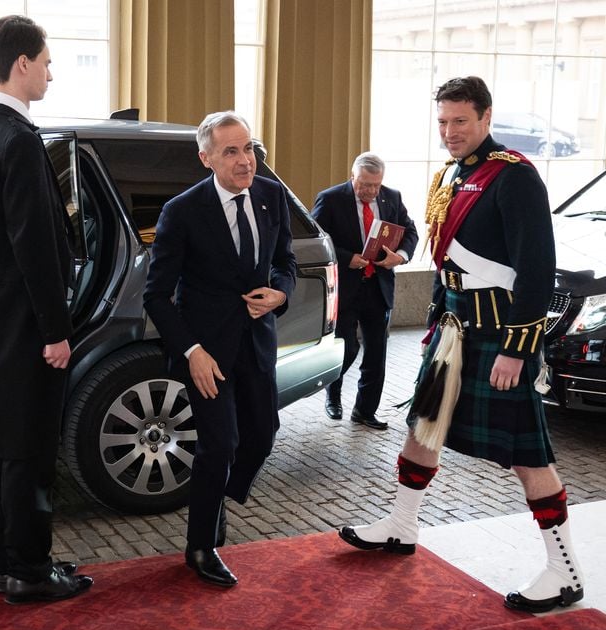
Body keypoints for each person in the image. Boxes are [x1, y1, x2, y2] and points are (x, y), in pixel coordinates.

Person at [339, 76, 585, 613]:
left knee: (526, 452)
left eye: (461, 121)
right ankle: (402, 526)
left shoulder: (515, 177)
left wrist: (518, 348)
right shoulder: (450, 173)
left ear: (486, 118)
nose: (450, 132)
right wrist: (435, 318)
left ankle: (564, 570)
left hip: (498, 332)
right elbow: (447, 260)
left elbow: (539, 268)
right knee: (421, 427)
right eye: (443, 122)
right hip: (454, 328)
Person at [0, 14, 92, 605]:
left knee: (4, 447)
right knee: (32, 449)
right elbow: (36, 246)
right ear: (21, 65)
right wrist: (56, 331)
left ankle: (9, 562)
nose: (51, 74)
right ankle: (31, 573)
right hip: (31, 323)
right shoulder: (18, 138)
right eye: (46, 62)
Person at [143, 111, 296, 587]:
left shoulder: (272, 196)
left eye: (248, 148)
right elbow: (156, 295)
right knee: (219, 446)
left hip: (257, 345)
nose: (244, 160)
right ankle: (200, 546)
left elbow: (286, 262)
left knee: (263, 436)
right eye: (231, 151)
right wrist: (191, 351)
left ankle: (215, 498)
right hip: (206, 353)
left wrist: (281, 293)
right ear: (206, 158)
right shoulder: (182, 211)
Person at [312, 153, 418, 429]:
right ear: (352, 178)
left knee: (376, 353)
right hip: (346, 286)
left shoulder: (392, 198)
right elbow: (317, 238)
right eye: (364, 185)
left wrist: (402, 255)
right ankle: (332, 396)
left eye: (375, 185)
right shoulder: (331, 199)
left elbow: (410, 231)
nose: (370, 191)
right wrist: (347, 257)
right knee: (347, 347)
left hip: (378, 286)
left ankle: (364, 410)